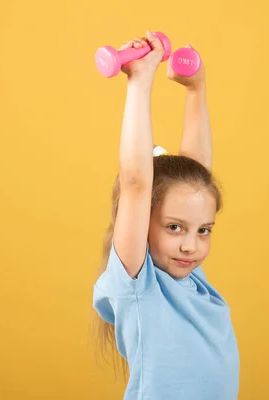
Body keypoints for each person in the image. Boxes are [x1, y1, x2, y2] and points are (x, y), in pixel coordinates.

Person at [92, 30, 239, 400]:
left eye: (204, 230)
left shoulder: (189, 280)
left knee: (193, 187)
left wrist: (196, 89)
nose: (191, 245)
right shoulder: (140, 284)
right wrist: (141, 80)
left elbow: (196, 176)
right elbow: (137, 181)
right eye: (174, 227)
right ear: (144, 223)